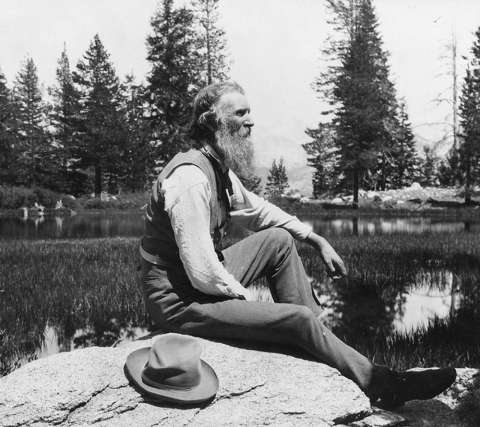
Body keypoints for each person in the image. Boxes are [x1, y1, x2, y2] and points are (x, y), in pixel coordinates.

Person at [139, 81, 456, 409]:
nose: (251, 121)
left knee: (278, 240)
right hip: (179, 302)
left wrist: (315, 238)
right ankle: (381, 384)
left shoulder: (216, 167)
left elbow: (257, 211)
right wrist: (255, 308)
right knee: (295, 319)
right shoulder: (190, 178)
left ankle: (319, 339)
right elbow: (203, 272)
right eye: (241, 113)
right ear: (212, 121)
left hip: (196, 283)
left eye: (251, 113)